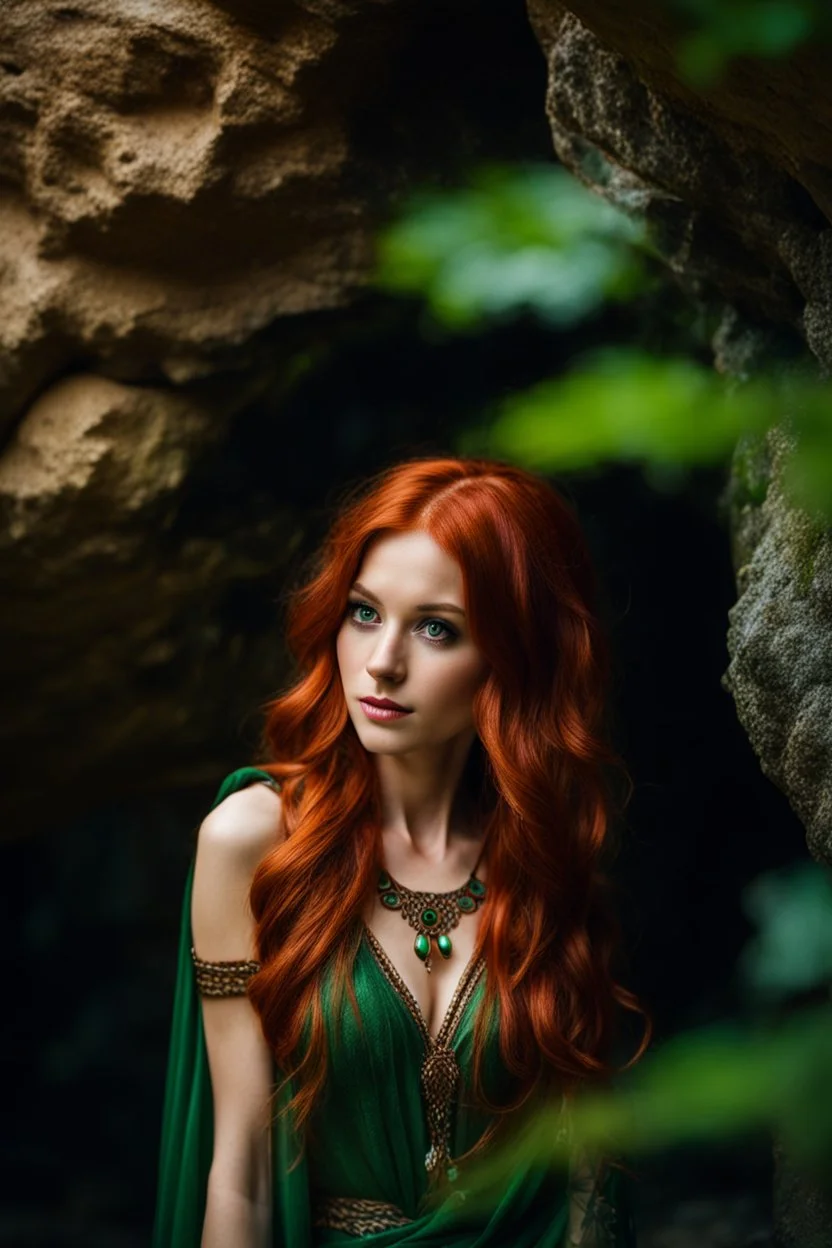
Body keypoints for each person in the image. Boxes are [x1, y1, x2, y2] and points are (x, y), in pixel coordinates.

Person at [153, 456, 652, 1247]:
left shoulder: (546, 852)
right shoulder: (254, 842)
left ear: (514, 657)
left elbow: (586, 1161)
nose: (382, 662)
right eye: (363, 613)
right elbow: (241, 1168)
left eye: (435, 628)